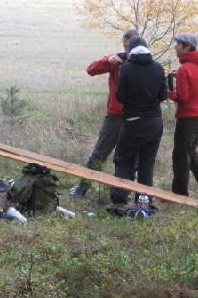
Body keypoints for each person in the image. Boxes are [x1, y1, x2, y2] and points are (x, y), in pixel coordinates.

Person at [71, 29, 140, 197]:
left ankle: (125, 190)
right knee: (100, 151)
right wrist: (108, 61)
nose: (126, 49)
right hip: (115, 114)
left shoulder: (144, 63)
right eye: (124, 45)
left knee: (131, 155)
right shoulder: (116, 60)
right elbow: (91, 70)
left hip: (135, 116)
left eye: (129, 46)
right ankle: (83, 187)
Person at [108, 36, 168, 210]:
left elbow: (120, 96)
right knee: (146, 163)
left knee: (123, 159)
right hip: (154, 122)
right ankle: (143, 201)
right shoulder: (158, 68)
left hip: (133, 121)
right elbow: (163, 96)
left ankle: (119, 199)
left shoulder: (127, 68)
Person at [168, 33, 198, 201]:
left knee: (180, 157)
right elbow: (197, 85)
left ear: (187, 47)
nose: (176, 47)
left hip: (187, 118)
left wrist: (168, 93)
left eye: (178, 45)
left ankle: (179, 194)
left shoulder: (184, 69)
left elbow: (182, 98)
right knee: (190, 152)